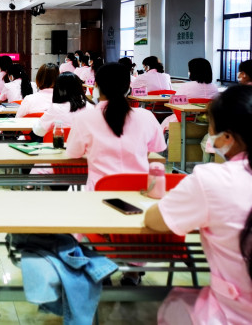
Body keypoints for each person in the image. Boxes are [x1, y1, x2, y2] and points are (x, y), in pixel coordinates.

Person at [145, 85, 252, 325]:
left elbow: (156, 220)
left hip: (232, 313)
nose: (209, 133)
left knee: (174, 308)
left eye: (210, 126)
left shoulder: (212, 180)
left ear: (227, 137)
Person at [66, 62, 166, 191]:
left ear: (96, 85)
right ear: (128, 88)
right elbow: (154, 149)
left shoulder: (83, 118)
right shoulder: (146, 116)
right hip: (139, 190)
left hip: (100, 191)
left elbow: (73, 153)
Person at [32, 72, 93, 137]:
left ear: (57, 89)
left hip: (59, 142)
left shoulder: (55, 108)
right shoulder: (90, 107)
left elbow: (39, 131)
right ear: (79, 88)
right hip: (84, 143)